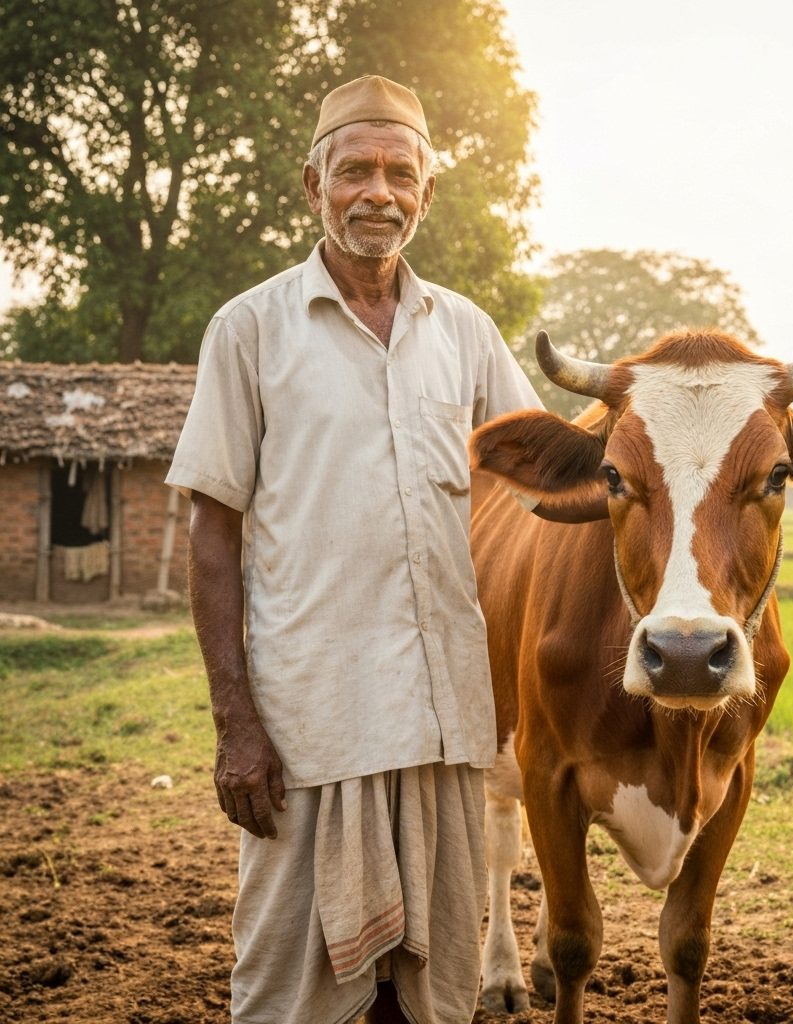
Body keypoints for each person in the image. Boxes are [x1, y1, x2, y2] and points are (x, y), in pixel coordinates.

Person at [167, 75, 605, 1024]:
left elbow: (551, 484)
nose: (378, 191)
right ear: (312, 186)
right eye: (354, 170)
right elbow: (212, 530)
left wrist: (669, 466)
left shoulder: (467, 334)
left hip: (450, 720)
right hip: (308, 727)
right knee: (289, 993)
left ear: (426, 192)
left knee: (434, 992)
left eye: (398, 172)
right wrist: (237, 724)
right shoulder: (250, 329)